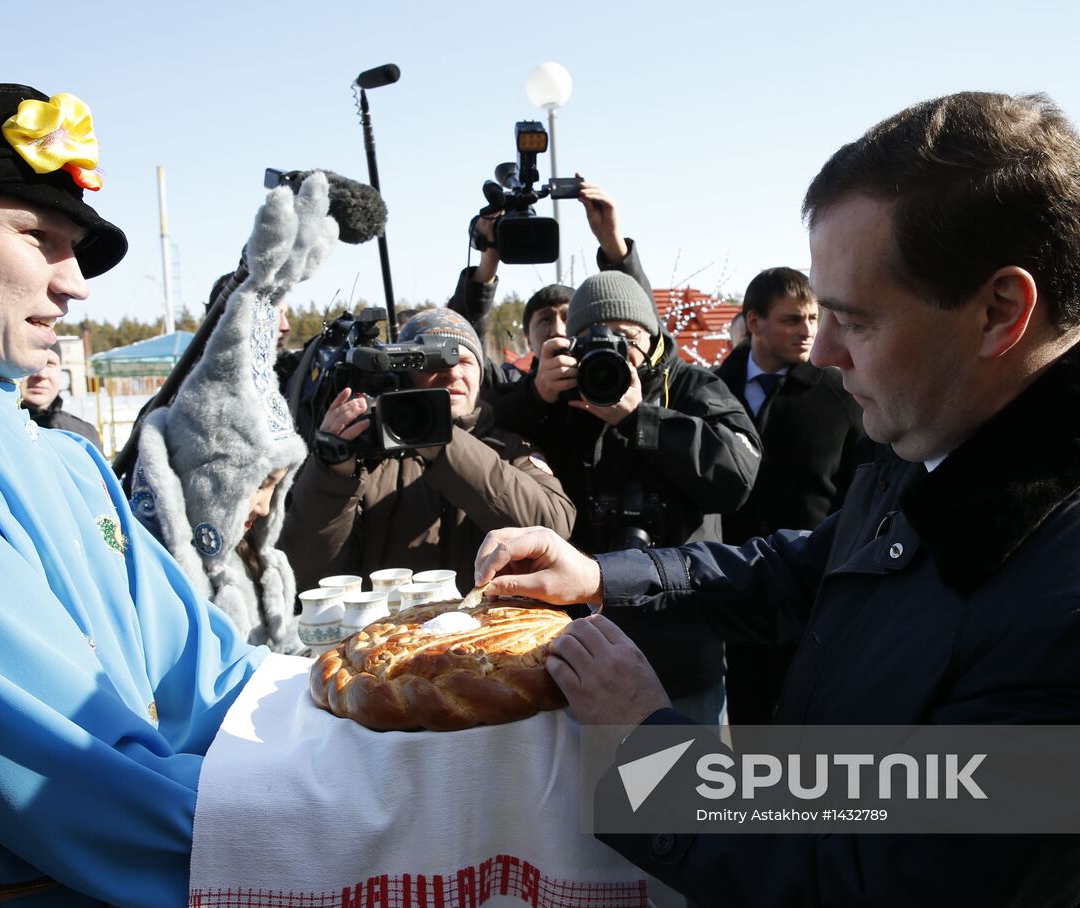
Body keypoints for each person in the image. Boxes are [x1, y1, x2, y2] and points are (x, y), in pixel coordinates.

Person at [474, 91, 1080, 908]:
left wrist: (645, 746)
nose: (824, 353)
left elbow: (872, 892)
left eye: (854, 321)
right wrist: (602, 575)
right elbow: (808, 565)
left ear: (1000, 313)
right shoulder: (954, 430)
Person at [0, 78, 276, 908]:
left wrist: (387, 708)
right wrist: (378, 833)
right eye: (38, 237)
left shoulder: (60, 455)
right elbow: (81, 781)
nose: (74, 285)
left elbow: (213, 685)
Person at [493, 270, 760, 730]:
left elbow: (737, 475)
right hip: (584, 642)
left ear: (652, 338)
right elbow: (492, 442)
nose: (611, 349)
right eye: (592, 338)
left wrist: (640, 419)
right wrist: (534, 397)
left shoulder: (692, 386)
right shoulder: (562, 398)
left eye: (625, 336)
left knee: (687, 789)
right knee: (592, 792)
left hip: (683, 632)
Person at [278, 308, 575, 595]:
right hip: (390, 639)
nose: (452, 372)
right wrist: (332, 473)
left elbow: (555, 527)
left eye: (465, 361)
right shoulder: (369, 460)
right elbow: (309, 575)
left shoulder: (511, 449)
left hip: (496, 634)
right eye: (432, 362)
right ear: (404, 371)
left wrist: (443, 441)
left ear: (481, 376)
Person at [130, 200, 316, 652]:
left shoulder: (254, 555)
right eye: (257, 485)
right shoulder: (161, 586)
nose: (266, 503)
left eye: (276, 485)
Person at [713, 267, 865, 723]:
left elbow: (859, 489)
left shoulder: (842, 395)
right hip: (730, 589)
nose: (808, 332)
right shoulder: (713, 390)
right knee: (746, 723)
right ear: (754, 322)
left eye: (813, 319)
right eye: (792, 320)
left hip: (814, 593)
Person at [448, 177, 652, 393]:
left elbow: (645, 327)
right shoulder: (511, 387)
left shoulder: (627, 384)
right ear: (528, 339)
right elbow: (460, 345)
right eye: (545, 320)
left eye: (568, 317)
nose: (557, 330)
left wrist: (611, 238)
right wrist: (488, 260)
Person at [21, 343, 103, 448]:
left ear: (60, 370)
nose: (41, 374)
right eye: (30, 362)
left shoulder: (84, 435)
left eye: (49, 363)